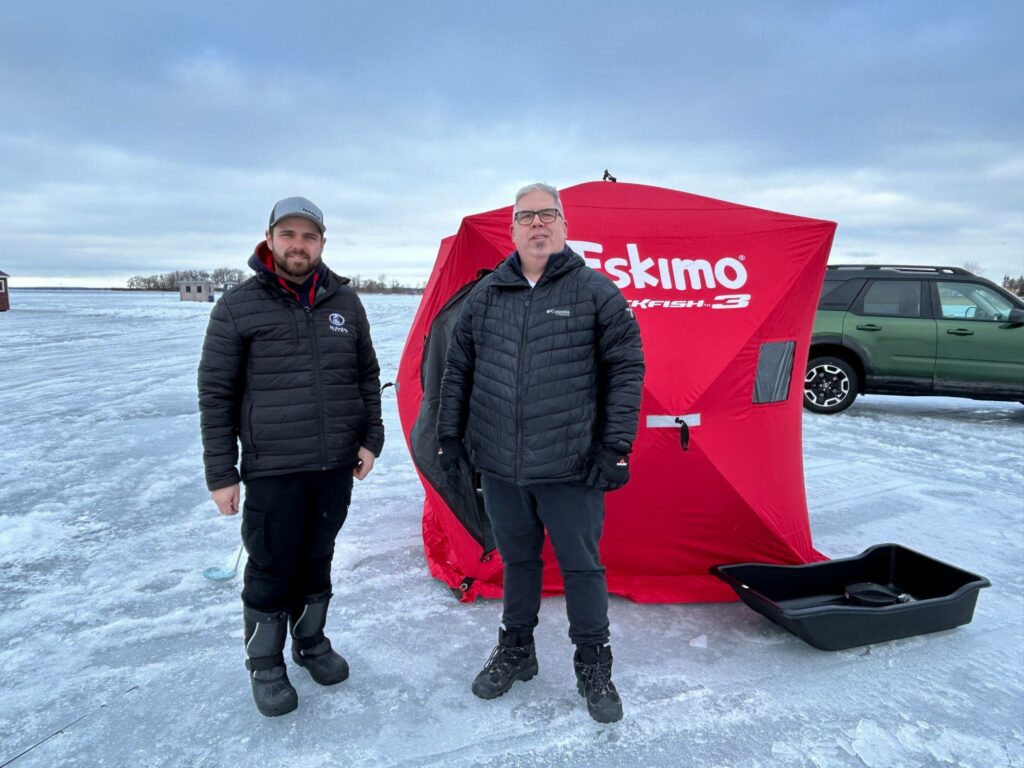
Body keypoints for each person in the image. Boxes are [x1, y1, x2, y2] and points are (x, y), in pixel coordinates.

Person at [436, 182, 645, 723]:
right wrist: (449, 435)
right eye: (526, 216)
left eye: (547, 215)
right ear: (511, 230)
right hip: (501, 465)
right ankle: (517, 650)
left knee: (581, 567)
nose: (537, 224)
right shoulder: (486, 296)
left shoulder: (596, 292)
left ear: (564, 226)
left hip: (571, 465)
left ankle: (593, 664)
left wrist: (615, 446)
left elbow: (626, 370)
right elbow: (458, 369)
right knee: (519, 563)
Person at [198, 196, 384, 717]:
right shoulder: (238, 306)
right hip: (273, 466)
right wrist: (221, 473)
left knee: (318, 557)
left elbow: (366, 376)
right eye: (289, 235)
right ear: (270, 239)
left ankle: (311, 643)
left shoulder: (346, 302)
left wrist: (370, 438)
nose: (298, 245)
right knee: (272, 564)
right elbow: (216, 394)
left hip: (334, 464)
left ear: (322, 242)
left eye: (309, 236)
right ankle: (265, 664)